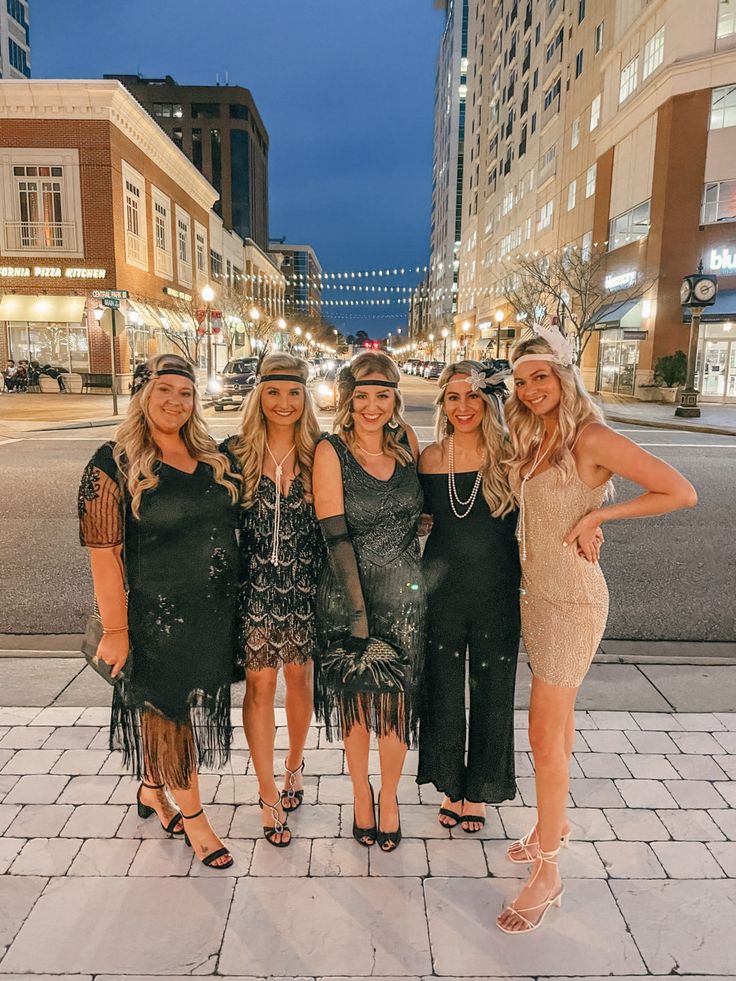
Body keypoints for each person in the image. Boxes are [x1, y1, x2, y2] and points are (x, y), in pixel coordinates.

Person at [496, 325, 697, 935]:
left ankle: (549, 871)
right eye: (523, 379)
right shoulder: (533, 438)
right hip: (537, 597)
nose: (532, 389)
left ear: (565, 376)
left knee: (540, 735)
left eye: (543, 376)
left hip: (572, 603)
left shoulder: (591, 436)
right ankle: (550, 825)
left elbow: (679, 491)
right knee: (557, 727)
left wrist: (600, 512)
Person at [78, 353, 242, 870]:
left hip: (213, 613)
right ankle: (195, 819)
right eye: (164, 389)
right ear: (142, 395)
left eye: (185, 392)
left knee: (174, 709)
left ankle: (153, 788)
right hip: (156, 619)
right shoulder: (113, 462)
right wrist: (117, 630)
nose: (175, 401)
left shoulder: (212, 455)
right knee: (170, 717)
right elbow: (103, 556)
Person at [313, 351, 426, 852]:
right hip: (347, 594)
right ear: (348, 399)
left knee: (397, 706)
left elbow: (427, 510)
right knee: (358, 702)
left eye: (382, 395)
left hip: (404, 594)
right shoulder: (330, 451)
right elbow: (335, 536)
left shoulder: (407, 446)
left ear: (395, 399)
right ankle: (361, 793)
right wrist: (358, 617)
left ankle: (392, 797)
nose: (372, 406)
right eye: (362, 396)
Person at [222, 353, 324, 848]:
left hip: (306, 589)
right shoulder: (234, 453)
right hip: (255, 590)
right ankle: (266, 795)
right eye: (273, 392)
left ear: (305, 399)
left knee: (300, 681)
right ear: (258, 395)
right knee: (260, 690)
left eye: (293, 393)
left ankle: (294, 766)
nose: (283, 403)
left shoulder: (321, 453)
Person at [417, 360, 521, 833]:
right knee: (441, 687)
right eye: (453, 398)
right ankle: (449, 783)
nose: (463, 407)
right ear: (443, 404)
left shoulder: (512, 456)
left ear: (489, 401)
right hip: (440, 589)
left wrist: (589, 525)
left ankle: (481, 788)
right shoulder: (430, 458)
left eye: (473, 396)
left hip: (497, 587)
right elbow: (415, 517)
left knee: (492, 689)